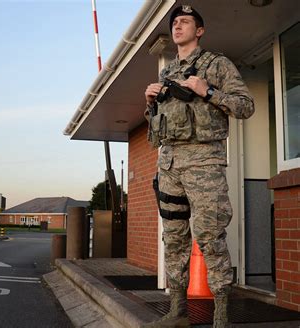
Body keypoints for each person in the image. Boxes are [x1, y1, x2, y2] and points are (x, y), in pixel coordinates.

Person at [144, 5, 254, 328]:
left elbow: (245, 105)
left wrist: (207, 91)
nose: (177, 26)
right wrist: (150, 104)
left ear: (200, 30)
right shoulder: (166, 73)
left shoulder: (216, 65)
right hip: (170, 165)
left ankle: (221, 315)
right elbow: (159, 127)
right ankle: (178, 312)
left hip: (204, 164)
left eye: (185, 21)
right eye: (174, 22)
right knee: (174, 237)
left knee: (209, 235)